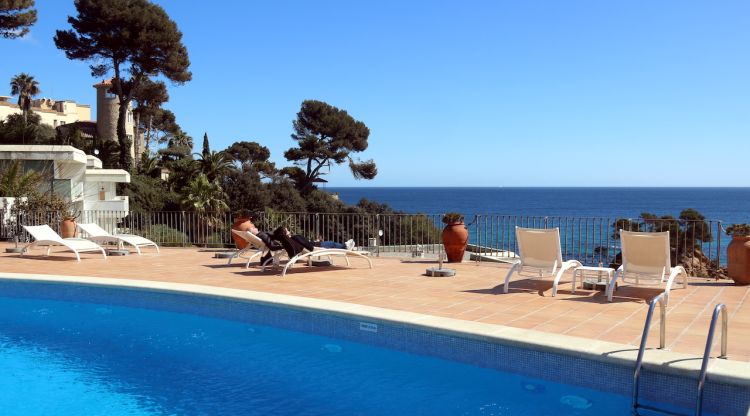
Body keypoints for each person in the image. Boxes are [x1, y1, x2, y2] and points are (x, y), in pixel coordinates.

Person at [272, 227, 355, 258]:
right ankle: (345, 247)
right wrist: (315, 244)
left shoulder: (288, 241)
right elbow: (308, 245)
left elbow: (304, 245)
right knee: (332, 243)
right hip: (316, 247)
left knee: (331, 243)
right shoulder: (295, 237)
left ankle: (345, 245)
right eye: (287, 230)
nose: (289, 231)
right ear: (285, 233)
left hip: (313, 246)